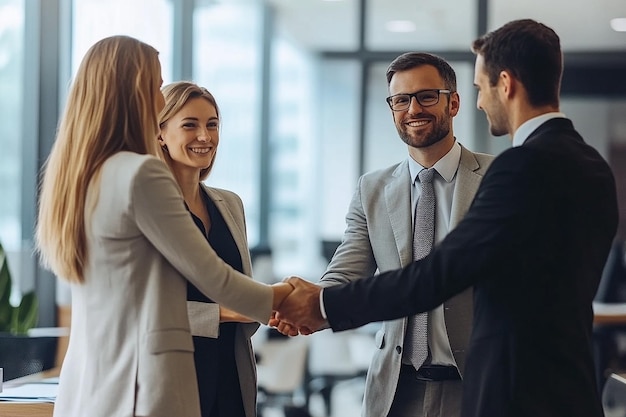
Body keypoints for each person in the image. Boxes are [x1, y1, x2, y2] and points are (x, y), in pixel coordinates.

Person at [274, 19, 619, 417]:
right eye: (399, 100)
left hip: (494, 388)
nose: (480, 101)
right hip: (406, 389)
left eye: (479, 88)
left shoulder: (510, 172)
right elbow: (349, 268)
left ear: (503, 84)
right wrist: (312, 302)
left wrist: (322, 305)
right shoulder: (592, 166)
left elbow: (437, 275)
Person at [35, 36, 292, 417]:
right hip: (144, 384)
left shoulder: (85, 177)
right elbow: (216, 279)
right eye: (155, 85)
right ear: (134, 91)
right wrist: (293, 301)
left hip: (107, 385)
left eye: (212, 124)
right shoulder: (140, 175)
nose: (158, 98)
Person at [312, 53, 493, 417]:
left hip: (476, 386)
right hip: (396, 389)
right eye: (401, 99)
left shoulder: (495, 177)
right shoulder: (372, 189)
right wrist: (301, 301)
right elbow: (345, 275)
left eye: (426, 96)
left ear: (453, 102)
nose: (413, 108)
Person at [157, 81, 258, 417]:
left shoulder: (229, 204)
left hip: (231, 376)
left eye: (212, 124)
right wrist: (225, 312)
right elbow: (141, 309)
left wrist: (271, 302)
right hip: (170, 380)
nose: (205, 136)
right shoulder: (149, 207)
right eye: (190, 125)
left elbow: (243, 286)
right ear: (160, 134)